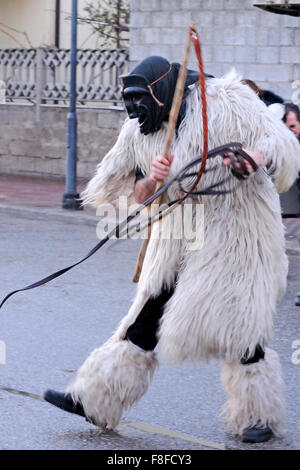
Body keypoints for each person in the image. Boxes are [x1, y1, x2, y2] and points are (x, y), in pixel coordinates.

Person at [44, 56, 300, 443]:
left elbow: (281, 141)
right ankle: (96, 398)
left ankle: (258, 414)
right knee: (147, 316)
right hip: (181, 230)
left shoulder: (226, 99)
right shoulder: (138, 130)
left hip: (239, 230)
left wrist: (253, 159)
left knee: (243, 325)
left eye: (142, 100)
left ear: (163, 93)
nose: (136, 110)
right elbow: (117, 192)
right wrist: (150, 182)